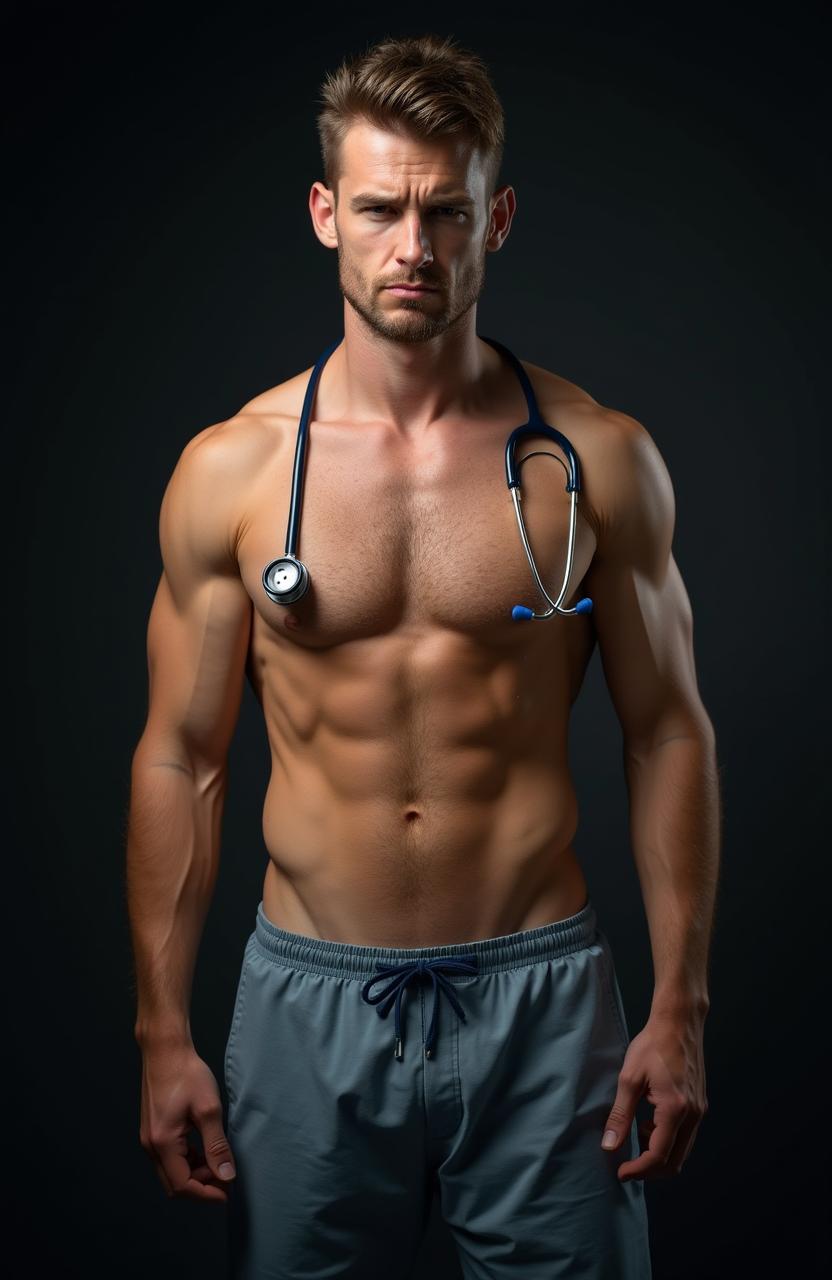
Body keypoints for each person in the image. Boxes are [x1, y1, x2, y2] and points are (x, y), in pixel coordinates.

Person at [127, 31, 719, 1280]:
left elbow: (667, 727)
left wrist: (680, 1006)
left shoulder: (598, 458)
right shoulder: (232, 470)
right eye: (383, 208)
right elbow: (182, 757)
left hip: (543, 997)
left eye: (445, 212)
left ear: (494, 219)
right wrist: (161, 1030)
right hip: (306, 999)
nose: (414, 246)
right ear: (323, 212)